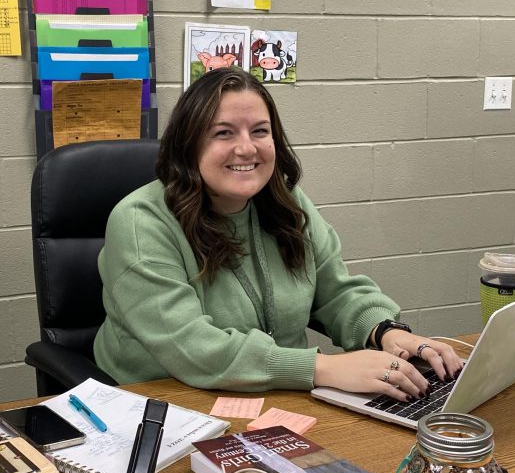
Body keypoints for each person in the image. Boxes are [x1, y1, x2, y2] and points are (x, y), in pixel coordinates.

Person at [94, 67, 462, 401]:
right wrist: (324, 369)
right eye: (223, 133)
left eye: (260, 131)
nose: (246, 148)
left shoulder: (286, 203)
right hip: (164, 403)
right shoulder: (141, 222)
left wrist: (385, 332)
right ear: (188, 146)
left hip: (274, 393)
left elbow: (334, 291)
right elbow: (192, 348)